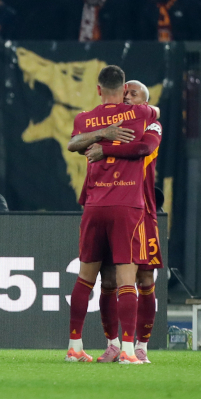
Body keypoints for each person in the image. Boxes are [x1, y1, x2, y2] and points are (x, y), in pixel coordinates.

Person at [64, 65, 161, 364]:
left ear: (98, 89)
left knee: (139, 278)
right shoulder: (140, 115)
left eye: (136, 94)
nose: (130, 97)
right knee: (117, 279)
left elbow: (145, 146)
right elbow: (151, 111)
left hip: (122, 206)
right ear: (121, 92)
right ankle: (121, 347)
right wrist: (107, 134)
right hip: (125, 205)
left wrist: (104, 147)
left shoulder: (86, 118)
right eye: (127, 91)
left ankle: (134, 346)